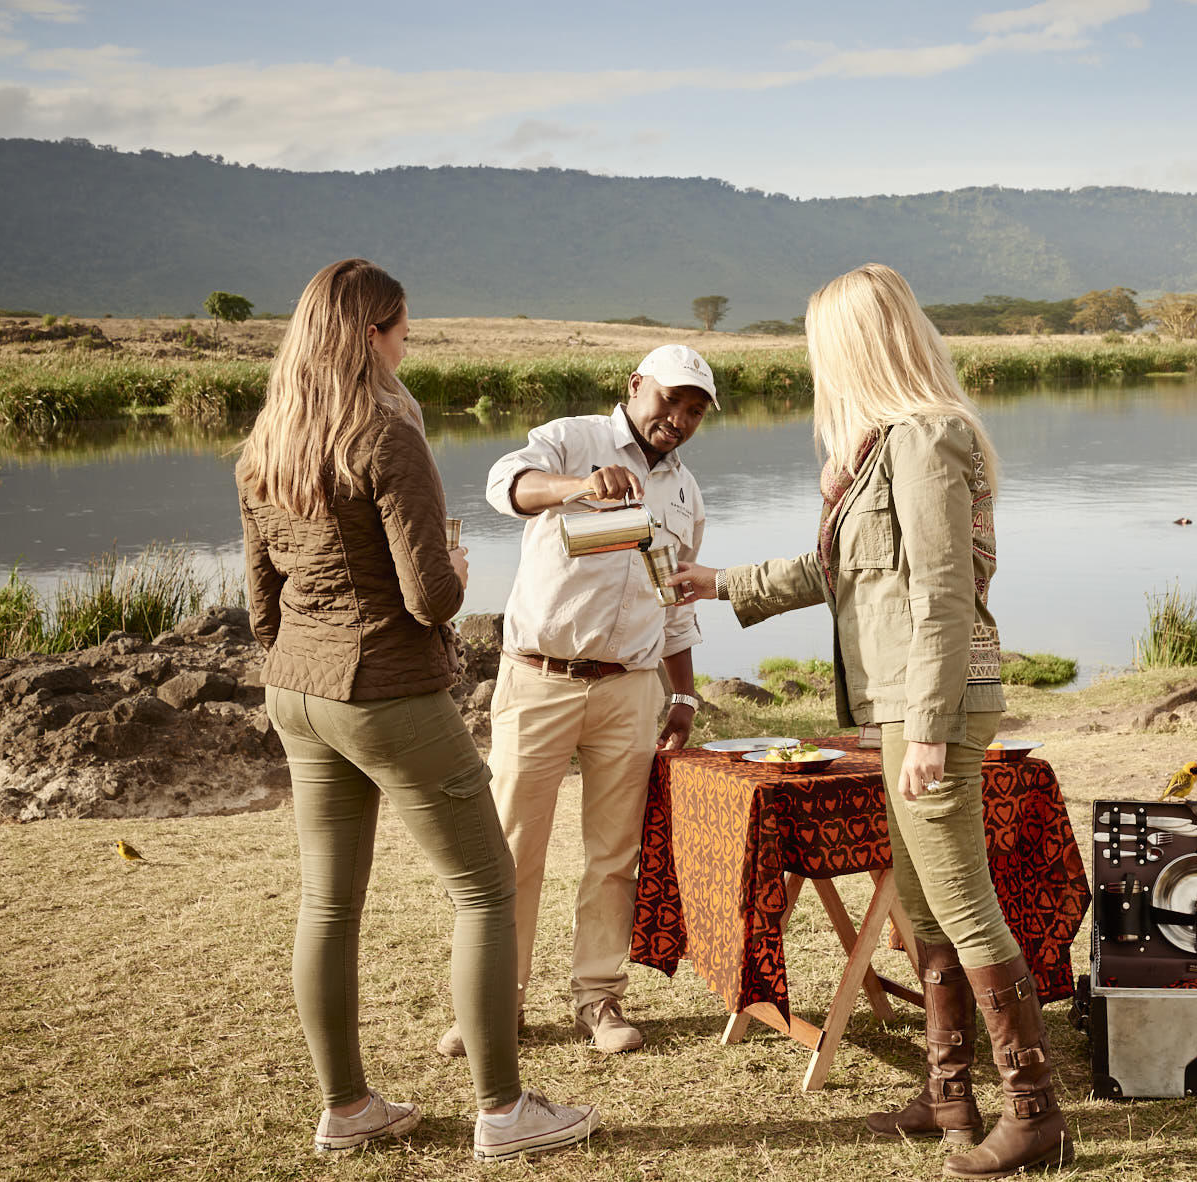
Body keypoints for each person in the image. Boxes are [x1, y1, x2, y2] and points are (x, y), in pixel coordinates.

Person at [672, 264, 1071, 1178]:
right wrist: (722, 580)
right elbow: (839, 573)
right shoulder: (883, 449)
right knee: (925, 905)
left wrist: (928, 726)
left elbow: (944, 593)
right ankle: (947, 1095)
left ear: (858, 347)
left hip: (932, 703)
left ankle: (1035, 1114)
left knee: (962, 901)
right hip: (901, 702)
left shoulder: (928, 440)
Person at [237, 258, 597, 1162]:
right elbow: (430, 597)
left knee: (328, 902)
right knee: (485, 886)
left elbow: (261, 607)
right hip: (385, 689)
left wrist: (304, 659)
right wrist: (458, 571)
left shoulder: (266, 443)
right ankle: (505, 1113)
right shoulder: (385, 435)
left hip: (298, 690)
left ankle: (347, 1108)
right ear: (370, 336)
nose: (408, 347)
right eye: (404, 332)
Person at [435, 343, 712, 1057]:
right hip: (540, 678)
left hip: (630, 689)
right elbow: (504, 485)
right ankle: (495, 1004)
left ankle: (599, 998)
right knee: (511, 849)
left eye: (694, 411)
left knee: (614, 854)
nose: (679, 419)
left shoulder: (686, 492)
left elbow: (676, 600)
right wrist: (578, 487)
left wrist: (684, 696)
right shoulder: (572, 439)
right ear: (635, 385)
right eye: (670, 400)